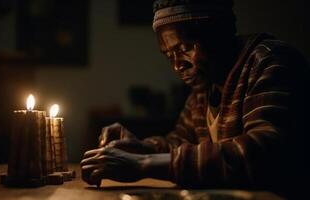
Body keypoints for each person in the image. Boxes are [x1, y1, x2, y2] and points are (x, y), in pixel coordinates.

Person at [81, 0, 309, 198]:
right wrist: (138, 148)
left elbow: (262, 153)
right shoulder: (205, 88)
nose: (178, 65)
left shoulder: (270, 62)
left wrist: (143, 164)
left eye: (186, 47)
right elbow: (180, 143)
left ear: (219, 31)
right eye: (169, 55)